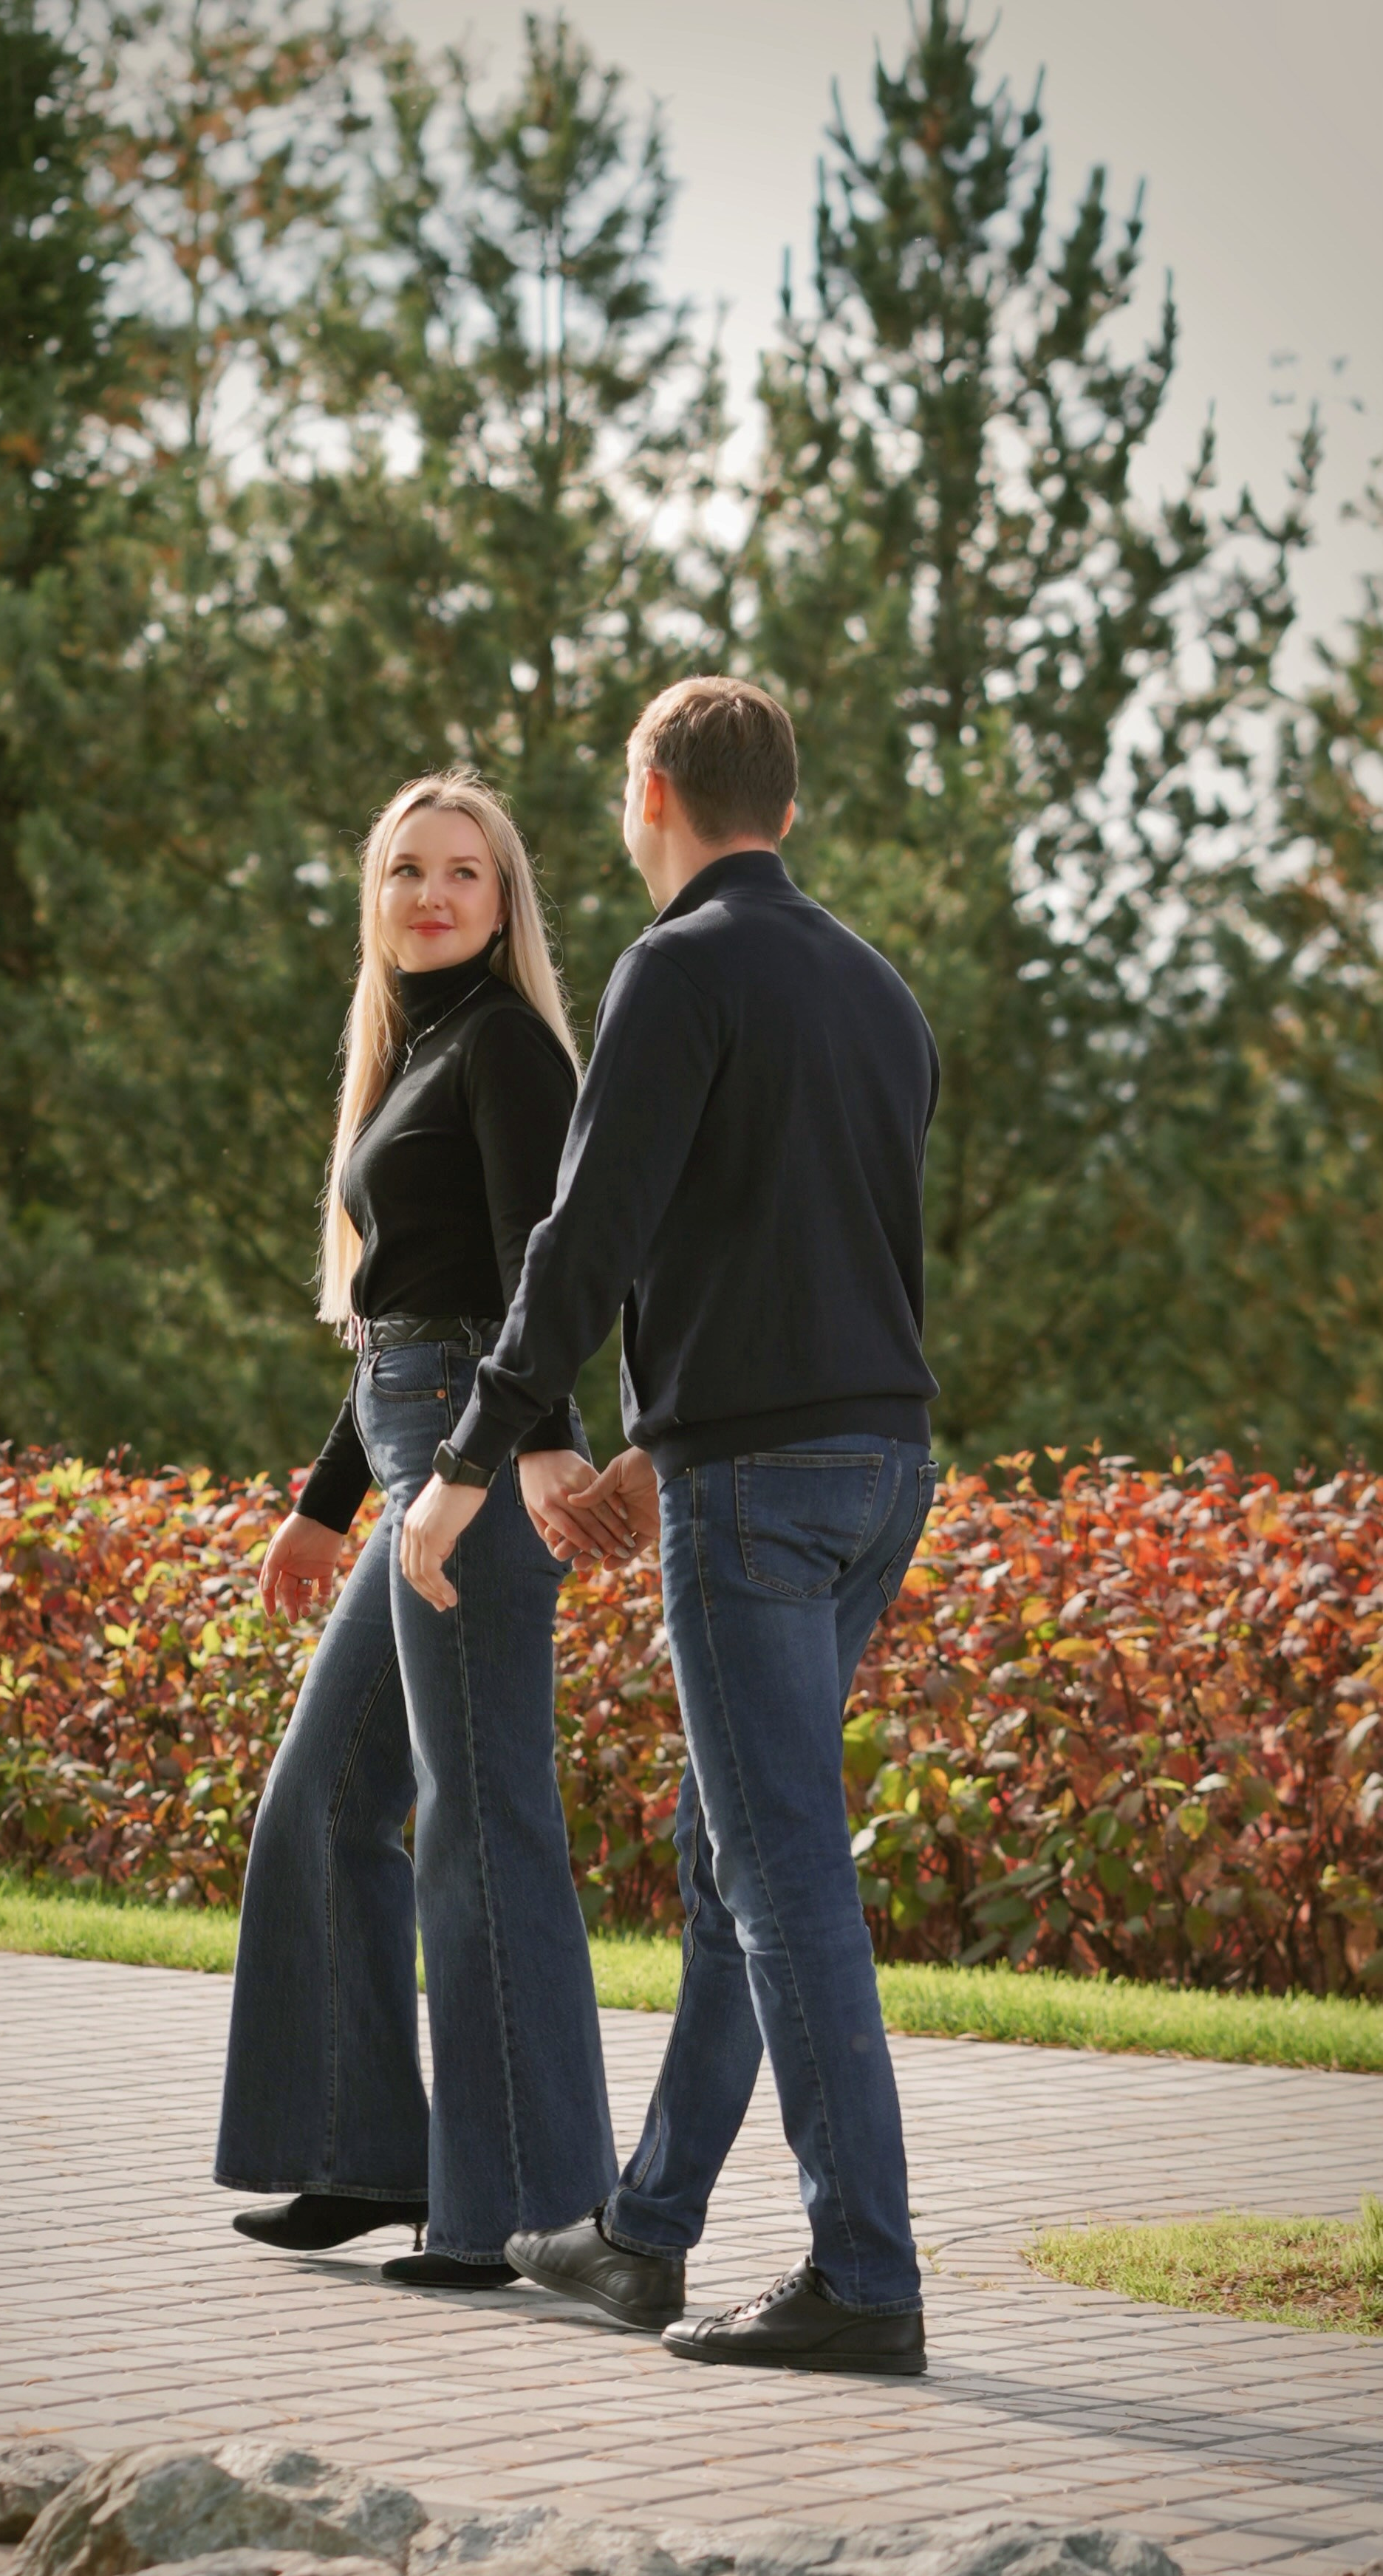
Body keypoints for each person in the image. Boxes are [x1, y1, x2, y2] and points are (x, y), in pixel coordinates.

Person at [400, 678, 940, 2371]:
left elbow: (587, 1237)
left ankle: (865, 2276)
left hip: (759, 1493)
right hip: (880, 1464)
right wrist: (662, 1432)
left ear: (650, 792)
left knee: (782, 1879)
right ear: (786, 799)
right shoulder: (879, 989)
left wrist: (471, 1456)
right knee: (732, 1858)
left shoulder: (675, 966)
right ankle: (643, 2233)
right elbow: (806, 1238)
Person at [214, 771, 620, 2289]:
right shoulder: (416, 1053)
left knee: (482, 1817)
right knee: (321, 1806)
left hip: (475, 1455)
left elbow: (536, 1270)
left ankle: (520, 2208)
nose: (432, 894)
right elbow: (399, 1309)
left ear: (505, 905)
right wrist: (323, 1508)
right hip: (411, 1449)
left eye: (462, 872)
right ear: (375, 900)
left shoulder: (507, 1045)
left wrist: (536, 1444)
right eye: (406, 871)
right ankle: (359, 2151)